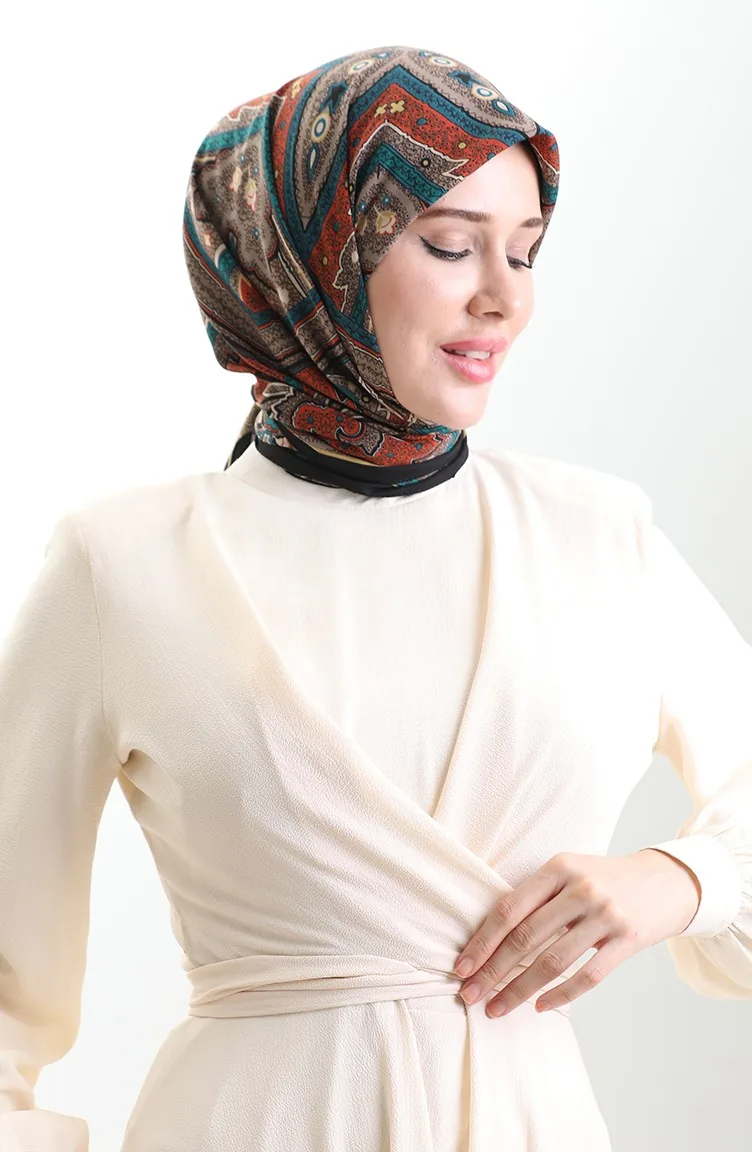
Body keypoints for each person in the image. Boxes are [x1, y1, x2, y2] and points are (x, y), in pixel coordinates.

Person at [0, 42, 750, 1152]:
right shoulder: (121, 565)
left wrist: (682, 879)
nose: (504, 298)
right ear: (311, 257)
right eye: (449, 244)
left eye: (526, 250)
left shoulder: (601, 536)